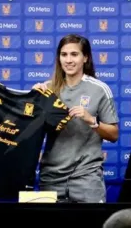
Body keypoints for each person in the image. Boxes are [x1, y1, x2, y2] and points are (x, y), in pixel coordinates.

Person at [32, 34, 119, 203]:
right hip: (51, 177)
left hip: (87, 178)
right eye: (64, 55)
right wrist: (33, 100)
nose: (68, 60)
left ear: (85, 57)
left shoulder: (100, 89)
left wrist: (91, 120)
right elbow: (29, 129)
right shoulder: (47, 89)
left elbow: (114, 134)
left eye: (74, 54)